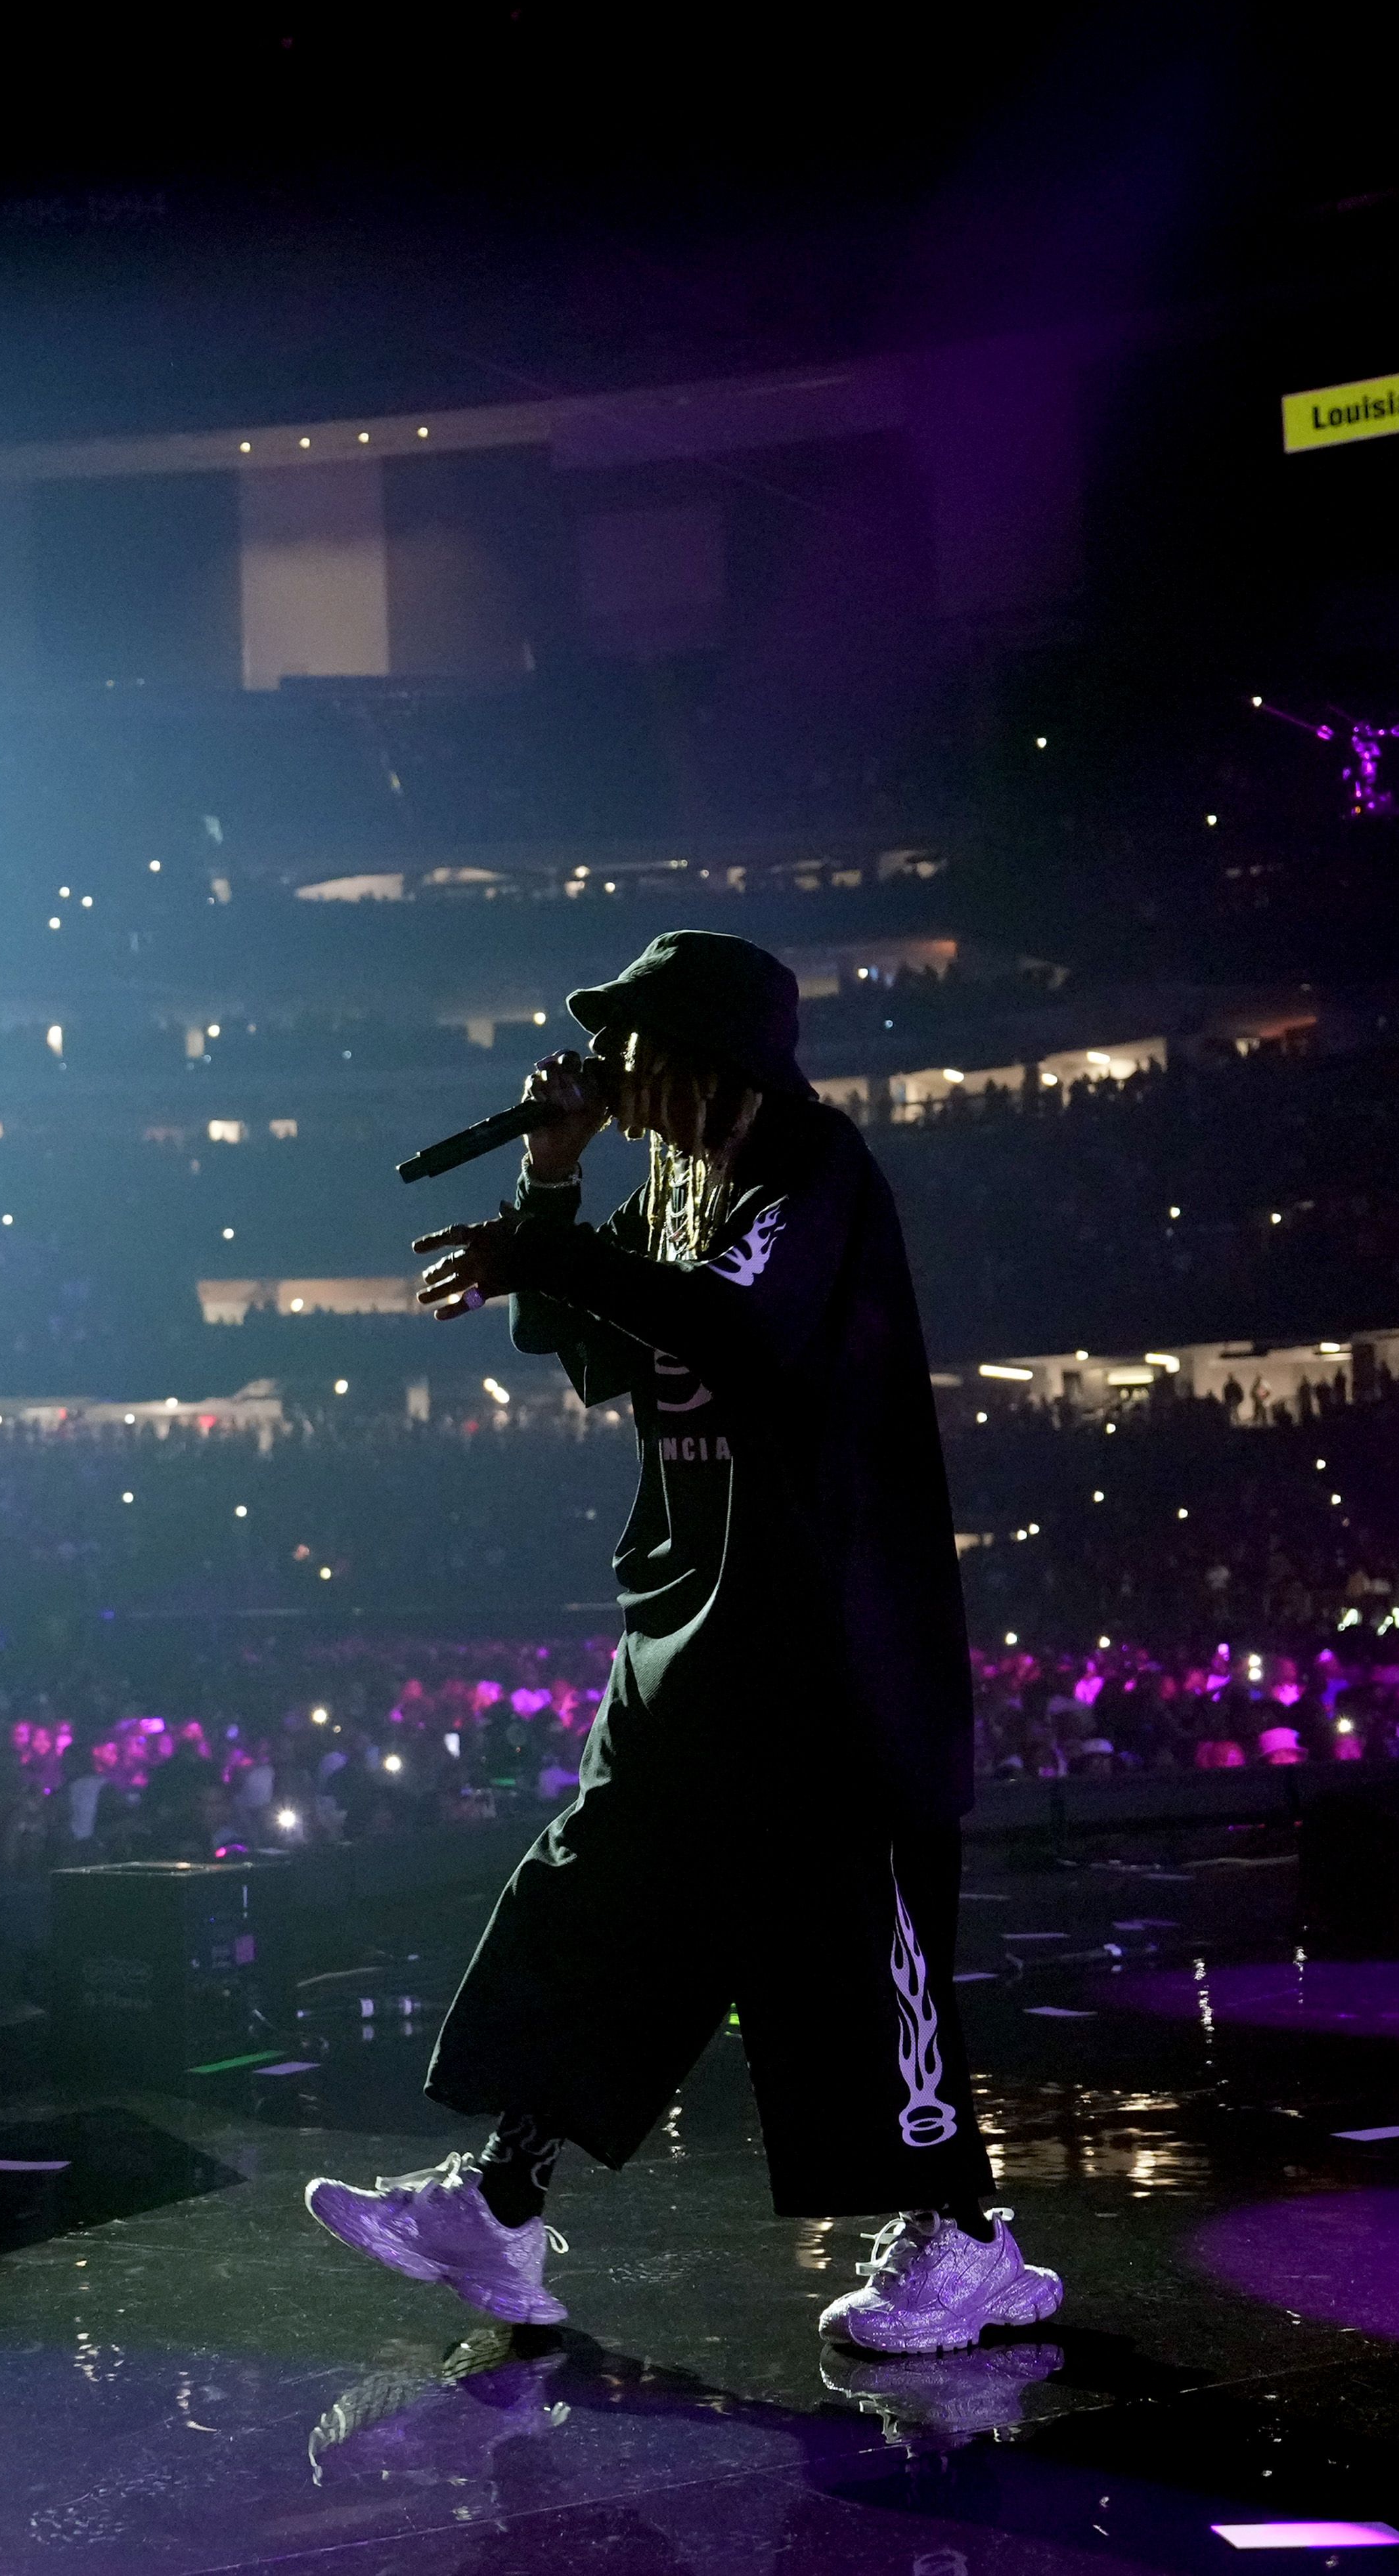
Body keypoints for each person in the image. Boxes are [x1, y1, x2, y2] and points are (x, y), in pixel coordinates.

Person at [303, 930, 1063, 2357]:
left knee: (852, 1948)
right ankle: (500, 2207)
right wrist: (550, 1183)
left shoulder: (813, 1172)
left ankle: (964, 2238)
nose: (614, 1066)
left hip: (828, 1641)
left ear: (714, 1052)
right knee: (600, 1900)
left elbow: (742, 1332)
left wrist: (555, 1244)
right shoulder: (673, 1193)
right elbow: (586, 1350)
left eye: (637, 1041)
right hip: (688, 1619)